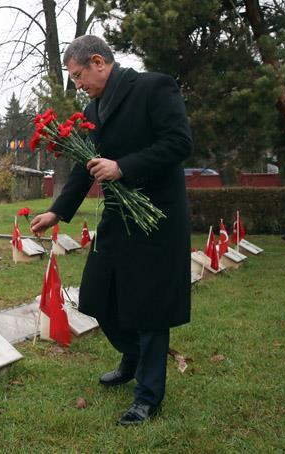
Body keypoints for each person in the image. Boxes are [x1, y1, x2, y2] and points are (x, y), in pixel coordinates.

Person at [30, 35, 193, 426]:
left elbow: (179, 143)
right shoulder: (94, 108)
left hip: (157, 215)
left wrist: (123, 166)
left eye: (78, 75)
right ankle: (134, 355)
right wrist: (57, 212)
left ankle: (147, 396)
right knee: (96, 296)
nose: (77, 84)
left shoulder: (154, 87)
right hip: (120, 216)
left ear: (99, 61)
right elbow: (85, 165)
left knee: (150, 308)